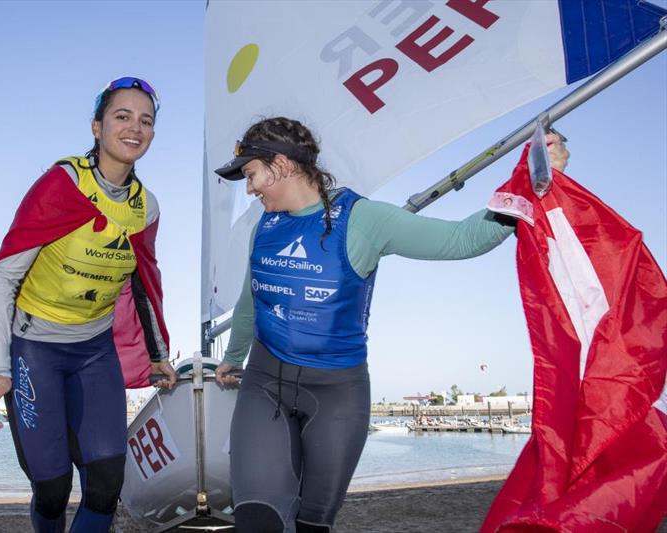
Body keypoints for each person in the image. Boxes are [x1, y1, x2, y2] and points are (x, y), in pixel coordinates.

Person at [212, 116, 568, 533]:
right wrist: (233, 357)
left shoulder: (363, 219)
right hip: (264, 383)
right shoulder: (265, 226)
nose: (250, 189)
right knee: (257, 521)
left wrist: (532, 184)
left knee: (312, 525)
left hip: (336, 396)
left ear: (283, 164)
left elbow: (461, 240)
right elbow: (250, 300)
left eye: (253, 175)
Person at [0, 76, 177, 533]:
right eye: (121, 116)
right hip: (35, 350)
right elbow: (4, 273)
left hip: (94, 351)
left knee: (106, 483)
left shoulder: (147, 207)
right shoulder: (62, 183)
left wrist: (159, 356)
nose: (134, 128)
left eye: (145, 121)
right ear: (96, 127)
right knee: (52, 489)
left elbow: (143, 282)